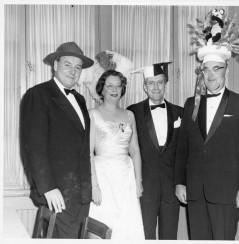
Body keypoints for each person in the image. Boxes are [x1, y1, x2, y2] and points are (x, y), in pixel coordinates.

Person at [174, 10, 239, 240]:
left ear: (226, 70)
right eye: (206, 69)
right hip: (195, 192)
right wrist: (180, 182)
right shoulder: (192, 103)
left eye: (216, 69)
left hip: (226, 192)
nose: (210, 75)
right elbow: (183, 149)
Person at [20, 41, 94, 238]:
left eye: (78, 67)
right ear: (55, 65)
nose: (73, 71)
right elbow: (34, 147)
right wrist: (48, 188)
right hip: (58, 192)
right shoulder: (38, 94)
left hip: (81, 194)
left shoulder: (80, 99)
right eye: (67, 64)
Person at [128, 62, 183, 240]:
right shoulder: (132, 112)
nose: (156, 87)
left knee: (169, 237)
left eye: (160, 82)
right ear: (144, 87)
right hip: (145, 189)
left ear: (166, 84)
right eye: (151, 83)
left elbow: (184, 152)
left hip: (171, 190)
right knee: (145, 237)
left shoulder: (180, 112)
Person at [88, 69, 145, 240]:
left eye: (118, 86)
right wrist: (94, 185)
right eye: (110, 86)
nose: (114, 90)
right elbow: (88, 152)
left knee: (126, 225)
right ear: (102, 89)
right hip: (103, 177)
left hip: (125, 177)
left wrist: (138, 181)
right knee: (103, 223)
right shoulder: (92, 114)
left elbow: (135, 150)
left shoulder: (129, 115)